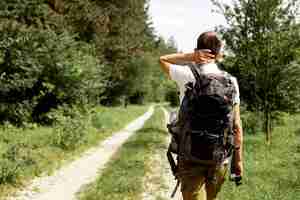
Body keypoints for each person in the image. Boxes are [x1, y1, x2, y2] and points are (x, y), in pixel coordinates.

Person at [159, 31, 243, 200]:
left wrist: (191, 56)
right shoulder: (231, 81)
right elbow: (236, 126)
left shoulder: (186, 75)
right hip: (220, 157)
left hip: (190, 155)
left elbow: (162, 59)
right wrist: (238, 161)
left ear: (198, 50)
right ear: (219, 53)